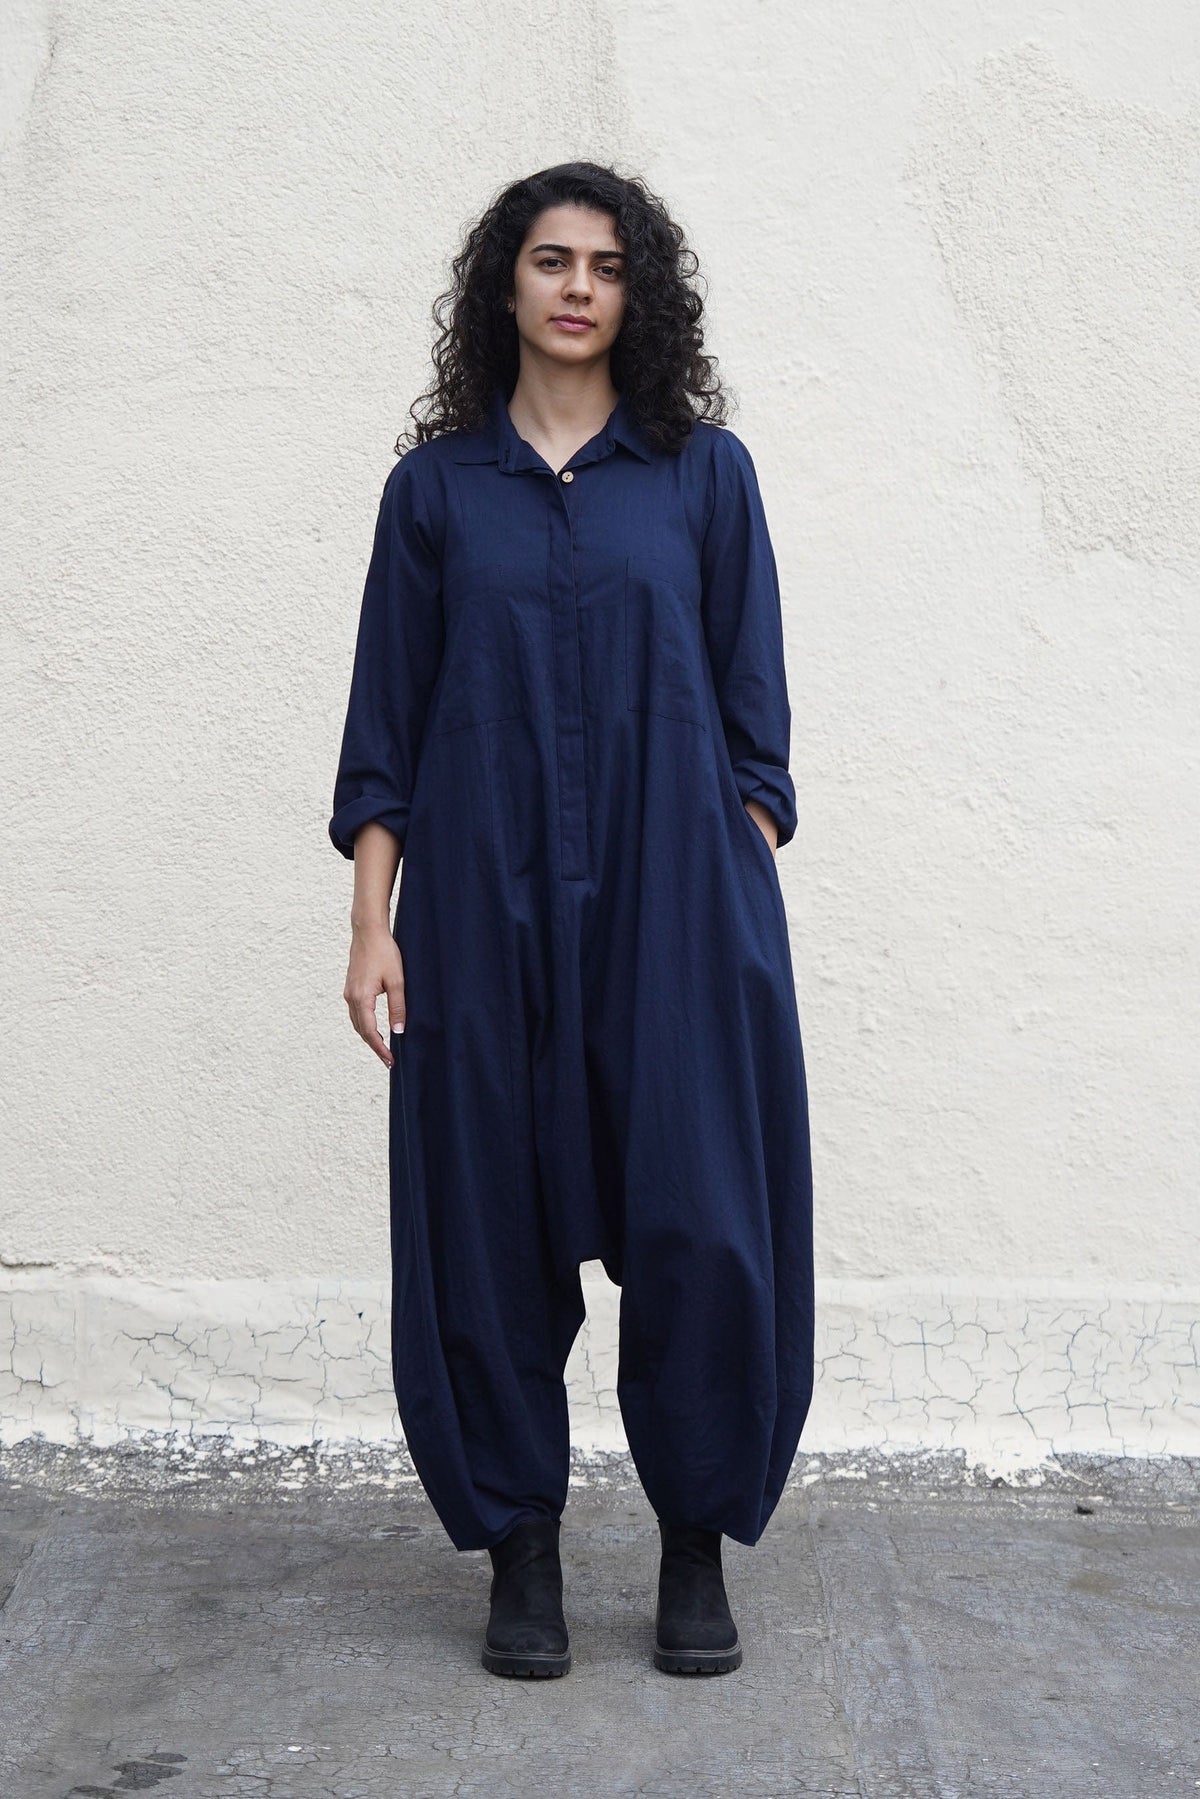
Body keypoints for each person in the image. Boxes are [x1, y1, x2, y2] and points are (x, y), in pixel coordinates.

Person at [328, 161, 814, 1679]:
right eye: (552, 261)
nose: (580, 288)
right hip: (481, 907)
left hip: (679, 911)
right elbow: (386, 730)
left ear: (637, 294)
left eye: (607, 265)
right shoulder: (433, 495)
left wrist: (728, 867)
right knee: (485, 1218)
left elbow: (756, 723)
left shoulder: (703, 477)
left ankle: (694, 1547)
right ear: (507, 285)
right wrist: (374, 925)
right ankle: (521, 1553)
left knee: (702, 1223)